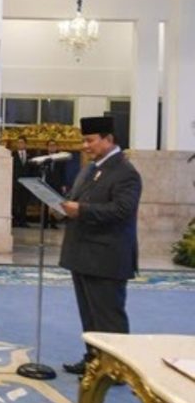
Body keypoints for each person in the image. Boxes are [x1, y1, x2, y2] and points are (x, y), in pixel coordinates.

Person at [59, 116, 141, 376]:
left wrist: (81, 210)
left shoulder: (126, 172)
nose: (85, 146)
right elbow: (76, 199)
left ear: (109, 139)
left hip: (107, 256)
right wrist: (62, 207)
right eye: (84, 141)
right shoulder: (90, 169)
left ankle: (116, 369)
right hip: (83, 253)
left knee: (108, 316)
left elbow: (121, 210)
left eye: (90, 141)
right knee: (89, 315)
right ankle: (94, 360)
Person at [43, 139, 67, 229]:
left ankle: (53, 223)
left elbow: (63, 172)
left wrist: (63, 184)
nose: (52, 147)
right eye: (50, 145)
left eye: (54, 145)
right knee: (45, 203)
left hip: (57, 183)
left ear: (56, 147)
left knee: (55, 203)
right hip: (46, 183)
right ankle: (44, 223)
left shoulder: (60, 158)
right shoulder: (44, 158)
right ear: (47, 147)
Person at [11, 136, 32, 227]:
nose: (20, 144)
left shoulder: (30, 155)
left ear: (25, 144)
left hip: (26, 183)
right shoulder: (12, 155)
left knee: (24, 203)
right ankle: (15, 221)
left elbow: (32, 169)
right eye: (18, 143)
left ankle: (23, 221)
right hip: (16, 183)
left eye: (22, 143)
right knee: (15, 203)